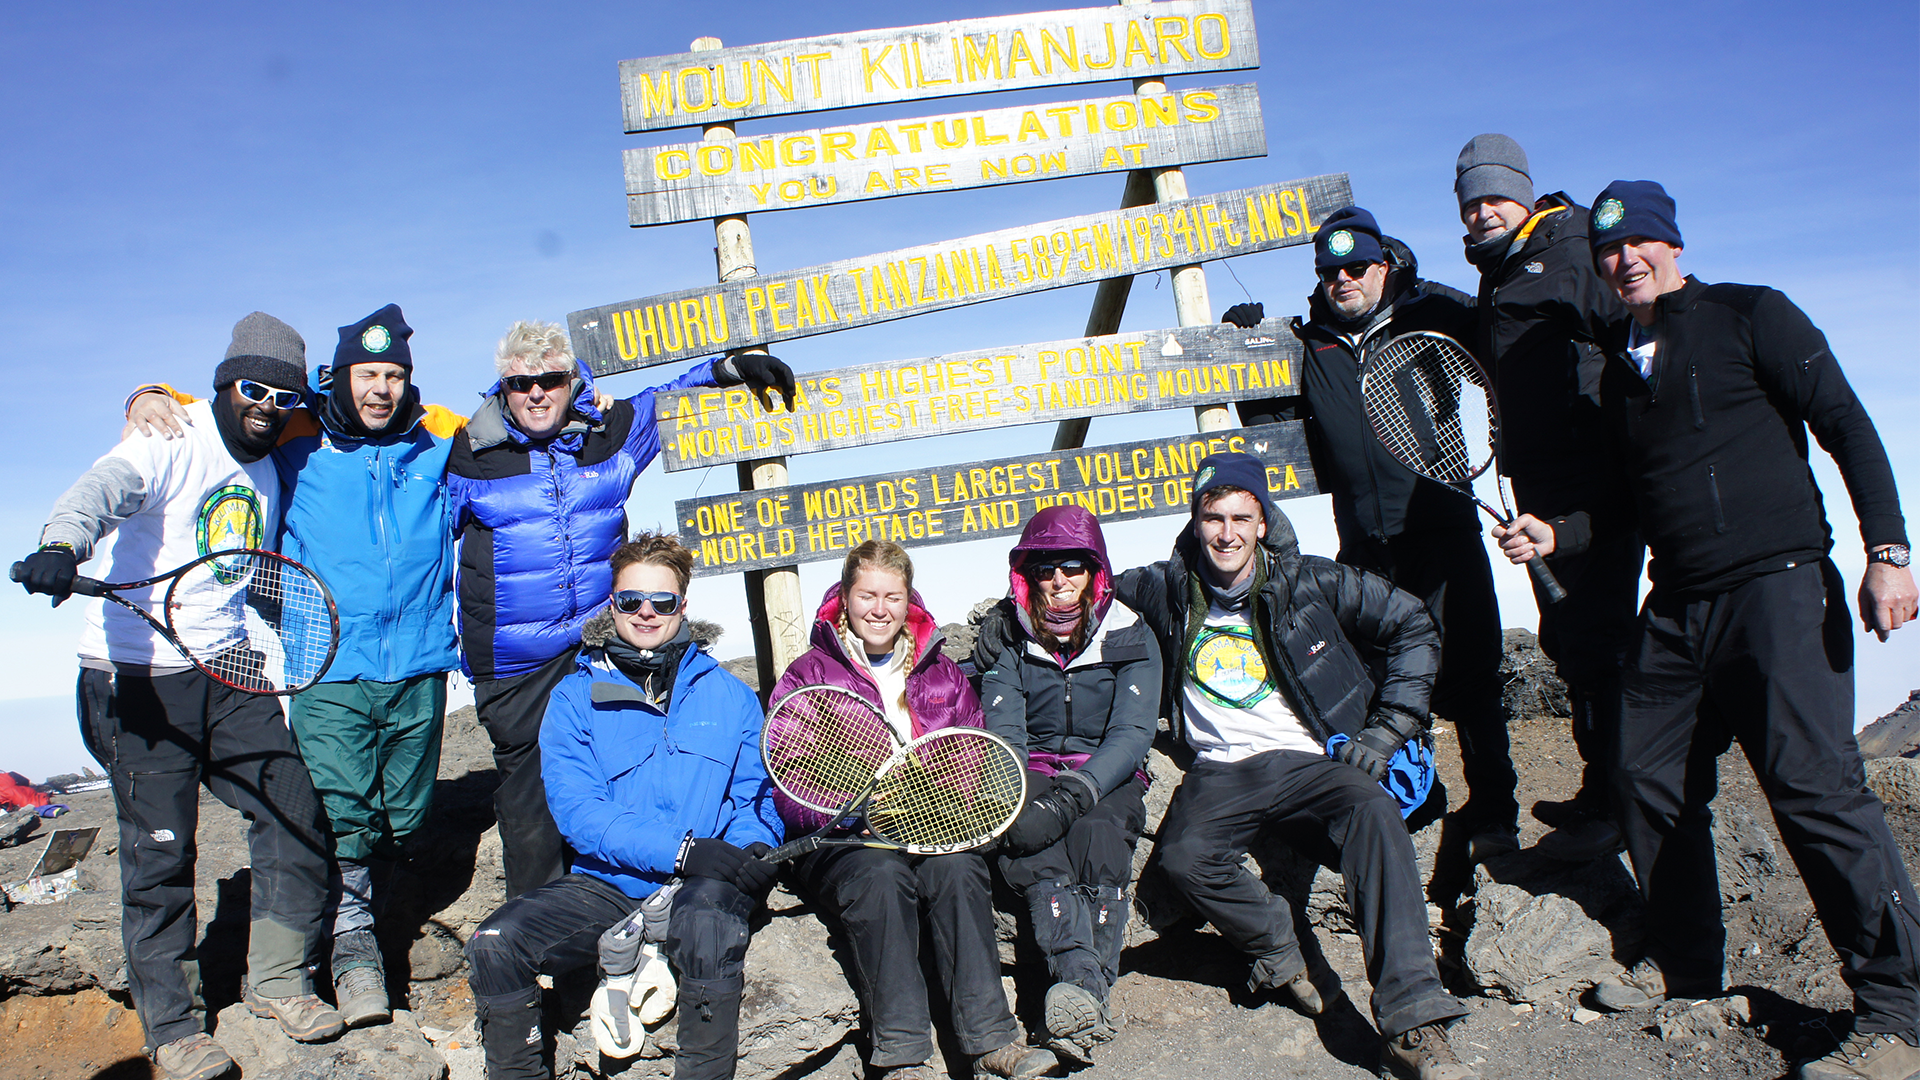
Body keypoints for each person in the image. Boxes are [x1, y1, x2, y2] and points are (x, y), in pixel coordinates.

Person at [1495, 181, 1920, 1080]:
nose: (1625, 261)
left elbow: (1847, 424)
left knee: (1813, 789)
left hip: (1779, 586)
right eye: (1609, 252)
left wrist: (1889, 550)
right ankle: (1693, 977)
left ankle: (1897, 1010)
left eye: (1639, 243)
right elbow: (1618, 502)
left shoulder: (1751, 315)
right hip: (1680, 601)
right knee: (1644, 775)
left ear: (1672, 244)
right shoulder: (1620, 371)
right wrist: (1557, 533)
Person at [18, 313, 343, 1080]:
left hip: (225, 666)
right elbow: (101, 489)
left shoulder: (273, 453)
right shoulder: (168, 437)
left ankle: (275, 983)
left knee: (293, 810)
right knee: (160, 853)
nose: (265, 404)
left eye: (282, 394)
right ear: (224, 384)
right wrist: (63, 544)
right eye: (251, 388)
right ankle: (172, 1025)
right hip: (134, 679)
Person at [1114, 451, 1477, 1080]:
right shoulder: (1168, 589)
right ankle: (1281, 949)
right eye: (1212, 517)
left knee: (1372, 811)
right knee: (1185, 855)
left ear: (1262, 521)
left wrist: (1388, 728)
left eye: (1240, 517)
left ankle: (1413, 1021)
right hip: (1220, 768)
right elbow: (1084, 586)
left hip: (1309, 760)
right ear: (1195, 521)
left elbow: (1414, 624)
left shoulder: (1310, 579)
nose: (1226, 532)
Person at [445, 325, 794, 899]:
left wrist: (727, 370)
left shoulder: (607, 437)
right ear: (501, 387)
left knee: (622, 777)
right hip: (515, 666)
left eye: (551, 380)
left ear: (572, 380)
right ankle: (544, 946)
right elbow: (426, 545)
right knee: (531, 811)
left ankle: (630, 919)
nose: (536, 393)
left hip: (600, 646)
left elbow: (662, 403)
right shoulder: (468, 454)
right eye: (521, 382)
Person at [1223, 207, 1520, 862]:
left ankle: (1497, 809)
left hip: (1444, 533)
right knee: (1382, 683)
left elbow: (1494, 341)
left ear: (1384, 267)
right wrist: (1249, 357)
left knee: (1470, 676)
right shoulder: (1313, 349)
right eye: (1330, 270)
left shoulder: (1425, 323)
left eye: (1358, 266)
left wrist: (1422, 288)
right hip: (1363, 546)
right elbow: (1281, 428)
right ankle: (1416, 806)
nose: (1343, 279)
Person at [464, 534, 781, 1080]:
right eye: (631, 600)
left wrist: (749, 847)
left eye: (662, 601)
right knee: (496, 944)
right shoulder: (572, 699)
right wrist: (681, 850)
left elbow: (756, 793)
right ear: (612, 604)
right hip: (607, 884)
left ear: (684, 605)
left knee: (707, 927)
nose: (646, 613)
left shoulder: (729, 695)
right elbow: (579, 811)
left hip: (700, 885)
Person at [771, 541, 1056, 1080]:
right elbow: (790, 786)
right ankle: (902, 1053)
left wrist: (930, 802)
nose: (879, 609)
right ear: (844, 599)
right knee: (879, 875)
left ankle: (990, 1042)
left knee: (959, 868)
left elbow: (972, 759)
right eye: (867, 596)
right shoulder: (807, 675)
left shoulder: (942, 673)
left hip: (927, 828)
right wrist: (862, 808)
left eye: (892, 597)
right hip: (845, 839)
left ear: (909, 602)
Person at [1453, 135, 1643, 863]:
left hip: (1590, 492)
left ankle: (1623, 806)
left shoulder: (1570, 247)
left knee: (1599, 642)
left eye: (1494, 195)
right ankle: (1603, 791)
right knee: (1569, 639)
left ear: (1524, 192)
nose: (1482, 211)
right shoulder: (1504, 270)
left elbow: (1631, 338)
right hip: (1540, 495)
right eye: (1470, 203)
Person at [971, 505, 1161, 1062]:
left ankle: (1079, 995)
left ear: (1095, 573)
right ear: (1027, 576)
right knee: (1032, 838)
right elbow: (1006, 735)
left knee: (1100, 831)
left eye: (1073, 567)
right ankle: (1084, 990)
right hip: (1030, 768)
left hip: (1104, 772)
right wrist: (1025, 798)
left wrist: (1076, 793)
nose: (1059, 582)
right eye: (1045, 569)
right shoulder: (1008, 635)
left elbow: (1130, 733)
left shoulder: (1131, 634)